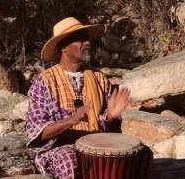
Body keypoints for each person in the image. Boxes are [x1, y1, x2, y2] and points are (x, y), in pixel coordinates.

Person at [26, 17, 130, 179]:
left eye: (86, 38)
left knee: (141, 154)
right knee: (69, 159)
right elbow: (38, 134)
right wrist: (70, 120)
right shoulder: (44, 82)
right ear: (64, 47)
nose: (87, 43)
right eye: (80, 39)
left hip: (97, 145)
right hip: (59, 149)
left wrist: (111, 117)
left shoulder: (99, 78)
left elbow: (111, 129)